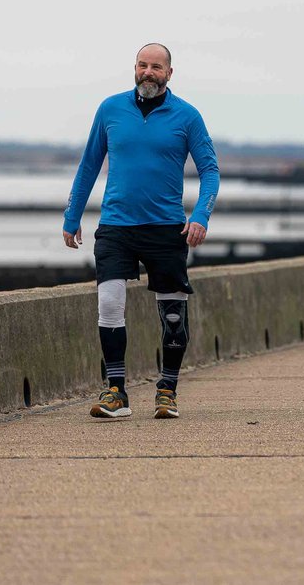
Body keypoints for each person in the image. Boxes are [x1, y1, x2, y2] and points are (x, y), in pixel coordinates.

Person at [63, 43, 219, 420]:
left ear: (169, 73)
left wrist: (200, 216)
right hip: (116, 226)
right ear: (135, 68)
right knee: (110, 305)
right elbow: (89, 166)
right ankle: (116, 391)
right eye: (142, 65)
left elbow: (210, 171)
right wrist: (72, 216)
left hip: (166, 229)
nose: (148, 72)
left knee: (173, 315)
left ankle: (167, 390)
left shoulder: (188, 116)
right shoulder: (110, 109)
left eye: (156, 67)